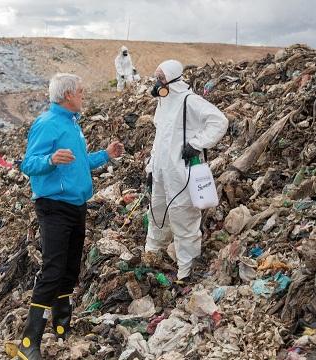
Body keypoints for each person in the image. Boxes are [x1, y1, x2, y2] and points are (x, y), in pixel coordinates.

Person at [18, 73, 124, 359]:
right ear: (67, 95)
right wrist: (50, 160)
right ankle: (29, 343)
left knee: (70, 269)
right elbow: (28, 164)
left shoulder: (72, 125)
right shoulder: (47, 124)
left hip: (76, 205)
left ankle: (62, 329)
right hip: (54, 206)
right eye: (80, 91)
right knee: (52, 270)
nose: (83, 95)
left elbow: (79, 164)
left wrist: (106, 154)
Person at [144, 60, 228, 283]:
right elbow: (159, 138)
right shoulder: (163, 102)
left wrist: (198, 143)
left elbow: (219, 121)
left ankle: (186, 269)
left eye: (160, 78)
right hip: (162, 171)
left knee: (183, 219)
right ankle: (152, 255)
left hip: (181, 172)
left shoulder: (189, 101)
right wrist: (151, 168)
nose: (157, 82)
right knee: (157, 212)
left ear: (172, 78)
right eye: (156, 77)